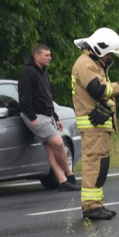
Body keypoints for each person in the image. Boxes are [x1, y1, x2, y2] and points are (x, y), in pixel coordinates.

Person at [71, 27, 119, 220]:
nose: (109, 58)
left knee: (100, 165)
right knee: (94, 165)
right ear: (99, 49)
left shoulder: (93, 64)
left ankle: (96, 205)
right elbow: (97, 90)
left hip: (98, 125)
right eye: (108, 54)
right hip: (93, 126)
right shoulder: (84, 64)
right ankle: (91, 208)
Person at [18, 43, 78, 191]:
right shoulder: (28, 73)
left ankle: (63, 181)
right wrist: (32, 118)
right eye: (47, 55)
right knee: (58, 143)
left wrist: (56, 117)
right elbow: (24, 97)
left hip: (47, 115)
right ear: (37, 56)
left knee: (51, 149)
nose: (50, 57)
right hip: (36, 116)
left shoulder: (43, 73)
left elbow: (47, 98)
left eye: (50, 55)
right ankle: (70, 175)